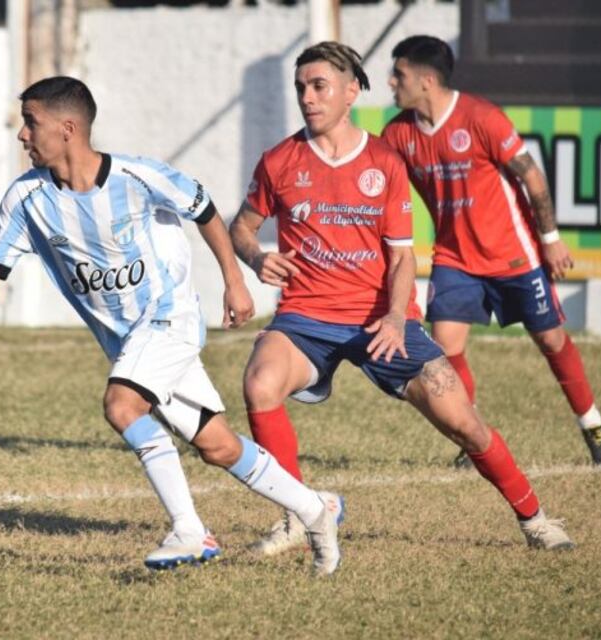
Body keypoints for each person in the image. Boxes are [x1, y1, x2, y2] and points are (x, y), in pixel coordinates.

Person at [0, 76, 344, 574]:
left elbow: (202, 209)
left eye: (32, 122)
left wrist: (234, 280)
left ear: (68, 128)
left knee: (121, 404)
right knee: (217, 445)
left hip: (169, 318)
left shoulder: (136, 177)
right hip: (128, 343)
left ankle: (190, 530)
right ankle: (316, 508)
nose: (23, 134)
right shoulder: (27, 198)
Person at [228, 42, 574, 558]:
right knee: (259, 384)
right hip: (305, 317)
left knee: (465, 423)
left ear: (350, 92)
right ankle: (299, 514)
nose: (307, 97)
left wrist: (394, 317)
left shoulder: (384, 161)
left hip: (381, 320)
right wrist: (255, 258)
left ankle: (534, 518)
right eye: (300, 87)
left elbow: (402, 259)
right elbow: (242, 226)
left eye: (318, 86)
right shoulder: (279, 160)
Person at [381, 35, 601, 469]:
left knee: (550, 339)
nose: (391, 82)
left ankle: (594, 428)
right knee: (445, 351)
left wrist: (550, 239)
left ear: (427, 80)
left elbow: (533, 178)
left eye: (399, 74)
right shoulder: (397, 134)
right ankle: (475, 439)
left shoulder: (481, 117)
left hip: (513, 255)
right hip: (454, 259)